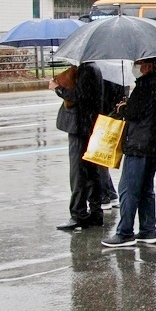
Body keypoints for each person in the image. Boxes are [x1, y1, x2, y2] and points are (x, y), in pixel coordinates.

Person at [102, 58, 156, 248]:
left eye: (138, 64)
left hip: (139, 146)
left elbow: (134, 113)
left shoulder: (146, 87)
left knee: (128, 190)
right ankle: (148, 230)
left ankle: (125, 232)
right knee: (146, 189)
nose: (135, 67)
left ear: (147, 66)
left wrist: (124, 107)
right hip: (153, 147)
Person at [51, 62, 105, 231]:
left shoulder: (87, 70)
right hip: (88, 126)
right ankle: (95, 212)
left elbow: (79, 96)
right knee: (90, 171)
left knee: (78, 172)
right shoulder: (93, 68)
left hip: (81, 127)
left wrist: (58, 89)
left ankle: (79, 214)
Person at [99, 78, 127, 211]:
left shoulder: (106, 78)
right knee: (100, 159)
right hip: (111, 118)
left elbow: (101, 99)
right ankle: (110, 195)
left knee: (99, 159)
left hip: (104, 120)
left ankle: (104, 197)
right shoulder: (120, 76)